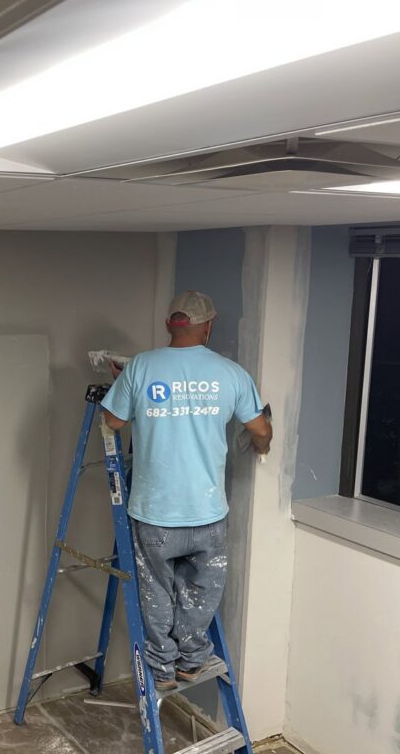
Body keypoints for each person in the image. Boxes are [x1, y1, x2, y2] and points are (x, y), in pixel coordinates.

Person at [100, 290, 272, 691]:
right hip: (207, 511)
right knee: (202, 590)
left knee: (155, 590)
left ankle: (160, 668)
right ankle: (192, 660)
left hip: (154, 513)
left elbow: (112, 421)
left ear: (169, 324)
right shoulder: (232, 373)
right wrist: (262, 447)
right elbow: (260, 431)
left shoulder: (141, 367)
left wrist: (129, 388)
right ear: (208, 327)